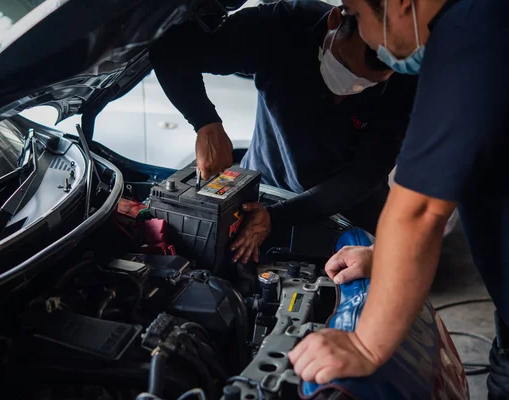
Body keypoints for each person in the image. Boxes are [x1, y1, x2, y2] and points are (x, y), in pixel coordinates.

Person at [287, 0, 509, 398]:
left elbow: (421, 209)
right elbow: (466, 167)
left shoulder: (471, 34)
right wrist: (385, 257)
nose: (369, 39)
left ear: (400, 3)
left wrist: (364, 344)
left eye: (356, 16)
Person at [148, 0, 418, 264]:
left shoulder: (404, 78)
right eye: (345, 66)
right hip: (265, 192)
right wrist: (205, 123)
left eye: (366, 84)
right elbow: (170, 48)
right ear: (335, 21)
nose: (349, 89)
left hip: (348, 213)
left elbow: (362, 176)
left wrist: (276, 216)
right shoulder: (285, 27)